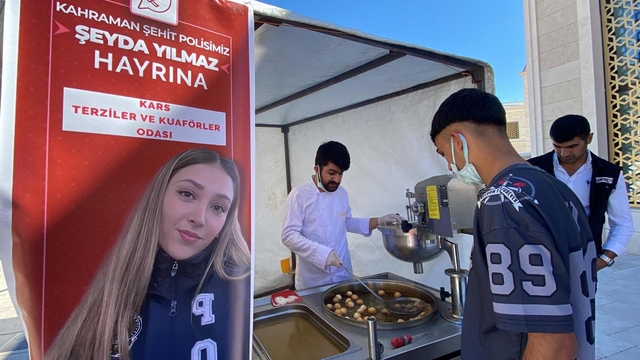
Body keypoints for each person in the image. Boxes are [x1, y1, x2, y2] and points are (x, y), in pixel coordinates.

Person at [429, 89, 596, 360]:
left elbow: (553, 344)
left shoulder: (503, 201)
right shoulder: (550, 186)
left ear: (457, 141)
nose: (450, 165)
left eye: (444, 153)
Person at [45, 148, 251, 360]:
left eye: (218, 207)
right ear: (158, 197)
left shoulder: (241, 283)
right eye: (187, 194)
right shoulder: (112, 287)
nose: (199, 218)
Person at [281, 141, 403, 290]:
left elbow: (348, 223)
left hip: (342, 275)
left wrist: (379, 221)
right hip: (313, 281)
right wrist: (322, 254)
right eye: (332, 173)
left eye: (341, 174)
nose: (337, 179)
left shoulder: (341, 194)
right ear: (317, 169)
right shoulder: (299, 195)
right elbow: (289, 235)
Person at [528, 114, 634, 270]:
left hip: (586, 260)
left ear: (589, 138)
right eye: (557, 146)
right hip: (537, 261)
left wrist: (604, 259)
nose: (564, 153)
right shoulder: (532, 169)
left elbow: (622, 223)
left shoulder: (608, 173)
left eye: (572, 146)